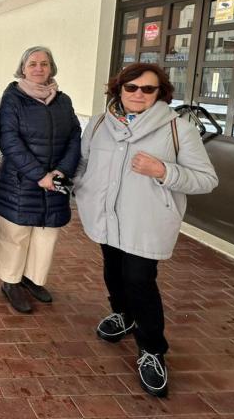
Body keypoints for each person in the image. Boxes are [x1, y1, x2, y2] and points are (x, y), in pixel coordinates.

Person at [74, 63, 217, 398]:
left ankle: (152, 349)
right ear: (119, 90)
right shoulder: (99, 123)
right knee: (113, 271)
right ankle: (122, 314)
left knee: (139, 279)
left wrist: (163, 170)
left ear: (160, 93)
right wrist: (79, 187)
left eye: (148, 89)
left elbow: (207, 180)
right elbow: (83, 162)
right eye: (131, 88)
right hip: (107, 217)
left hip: (147, 221)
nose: (138, 94)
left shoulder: (178, 129)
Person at [0, 46, 81, 313]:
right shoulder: (13, 99)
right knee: (15, 235)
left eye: (44, 63)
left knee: (46, 235)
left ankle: (33, 279)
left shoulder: (63, 101)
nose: (39, 68)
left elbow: (75, 137)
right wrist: (39, 175)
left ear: (51, 67)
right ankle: (10, 283)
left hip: (54, 182)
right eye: (33, 64)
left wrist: (61, 171)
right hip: (20, 181)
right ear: (23, 68)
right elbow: (9, 141)